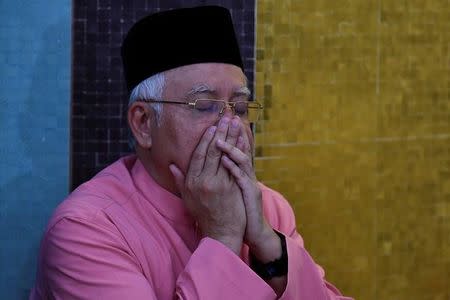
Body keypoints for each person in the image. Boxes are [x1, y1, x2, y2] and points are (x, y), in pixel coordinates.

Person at [31, 6, 353, 300]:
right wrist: (224, 237)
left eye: (239, 107)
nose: (231, 125)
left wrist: (270, 248)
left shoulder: (266, 207)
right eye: (204, 106)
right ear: (143, 123)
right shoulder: (85, 230)